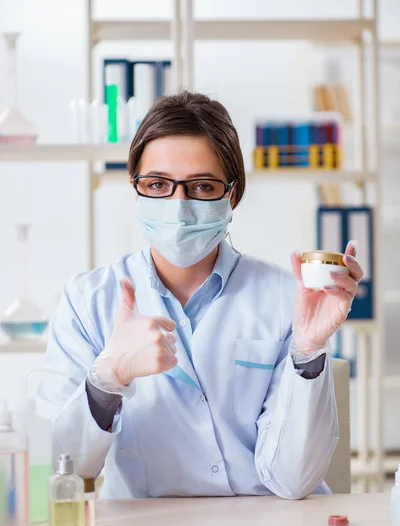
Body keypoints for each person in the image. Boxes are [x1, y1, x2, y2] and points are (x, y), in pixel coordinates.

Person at [38, 91, 363, 500]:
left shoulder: (284, 296)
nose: (178, 206)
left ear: (232, 195)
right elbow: (62, 469)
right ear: (135, 188)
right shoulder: (89, 301)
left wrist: (308, 350)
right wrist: (107, 379)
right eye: (158, 183)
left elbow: (294, 481)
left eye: (202, 186)